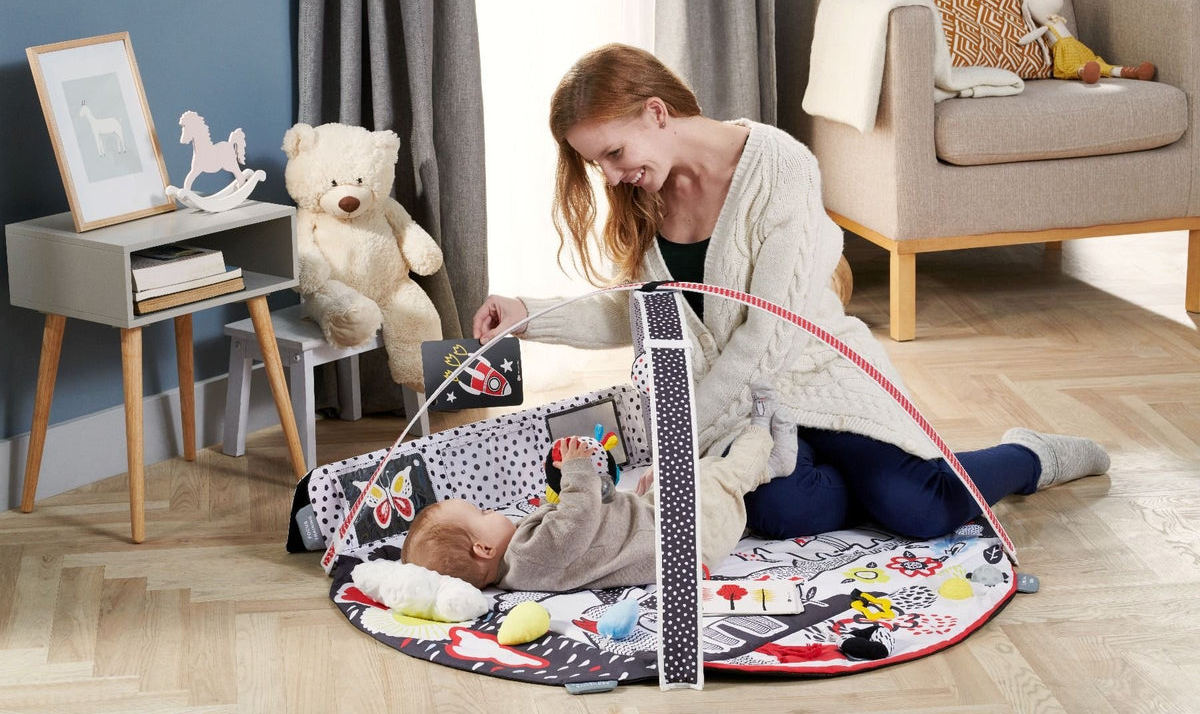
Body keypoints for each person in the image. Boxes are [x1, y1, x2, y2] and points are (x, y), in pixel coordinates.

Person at [472, 42, 1110, 541]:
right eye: (599, 164)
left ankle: (1028, 454)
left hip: (818, 372)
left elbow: (769, 337)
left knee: (922, 509)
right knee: (780, 512)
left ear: (657, 113)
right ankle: (871, 488)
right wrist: (529, 315)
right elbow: (640, 312)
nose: (612, 177)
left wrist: (681, 447)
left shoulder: (780, 167)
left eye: (613, 153)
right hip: (747, 408)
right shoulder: (646, 196)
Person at [401, 388, 798, 591]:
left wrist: (632, 498)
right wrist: (576, 471)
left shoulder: (523, 554)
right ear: (484, 549)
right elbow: (577, 519)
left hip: (654, 524)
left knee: (697, 471)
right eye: (482, 513)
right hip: (684, 543)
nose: (491, 511)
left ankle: (769, 467)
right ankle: (760, 434)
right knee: (720, 478)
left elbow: (595, 530)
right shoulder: (526, 557)